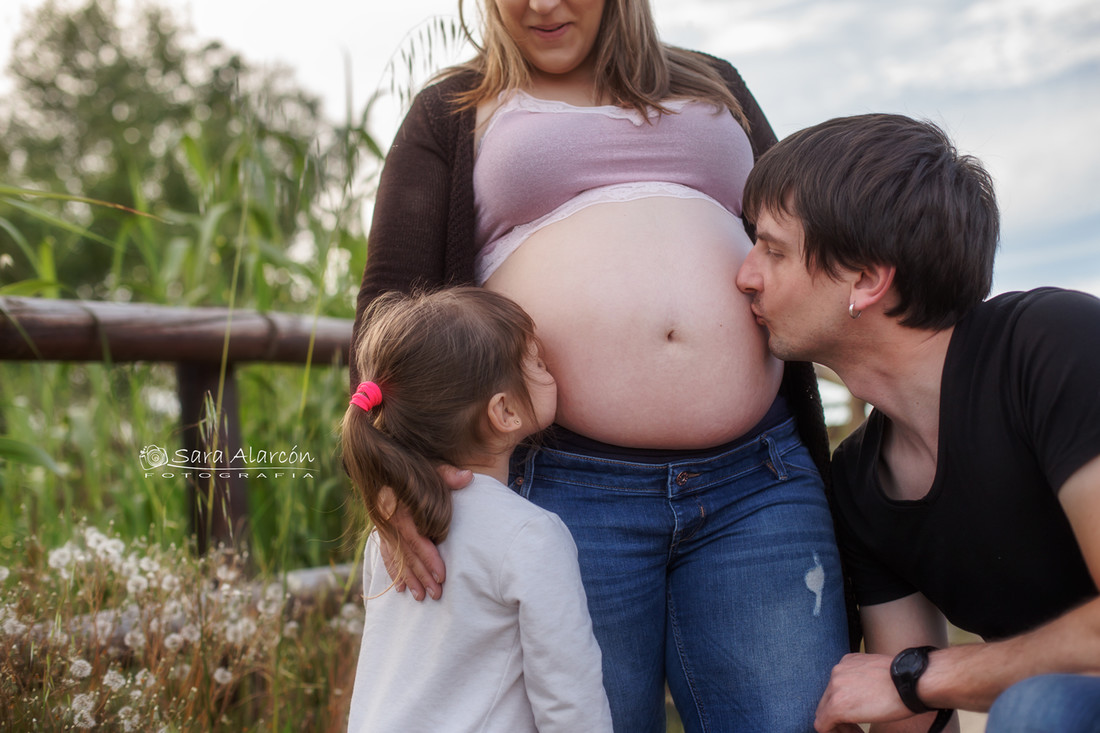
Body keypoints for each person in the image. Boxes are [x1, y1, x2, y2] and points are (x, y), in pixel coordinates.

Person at [350, 0, 851, 730]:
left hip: (757, 482)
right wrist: (393, 467)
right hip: (561, 491)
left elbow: (815, 239)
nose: (541, 5)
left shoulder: (716, 84)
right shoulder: (455, 108)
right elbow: (389, 304)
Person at [734, 113, 1100, 733]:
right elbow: (905, 712)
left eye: (773, 250)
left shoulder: (1053, 346)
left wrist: (924, 676)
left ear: (867, 280)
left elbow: (908, 682)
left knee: (1039, 706)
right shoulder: (861, 481)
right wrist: (908, 685)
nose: (745, 275)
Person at [342, 287, 612, 732]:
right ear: (504, 411)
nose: (549, 370)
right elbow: (571, 702)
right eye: (537, 363)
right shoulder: (530, 536)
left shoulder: (387, 535)